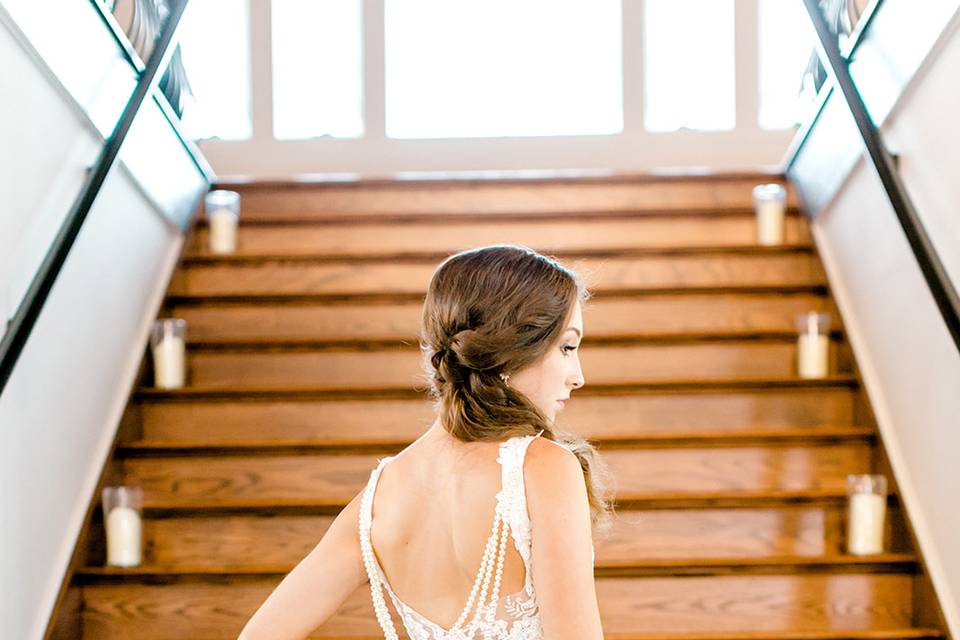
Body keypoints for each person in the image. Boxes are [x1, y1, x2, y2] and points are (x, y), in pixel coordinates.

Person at [238, 244, 614, 640]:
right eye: (567, 347)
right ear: (510, 352)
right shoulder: (544, 467)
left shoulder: (380, 496)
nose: (578, 375)